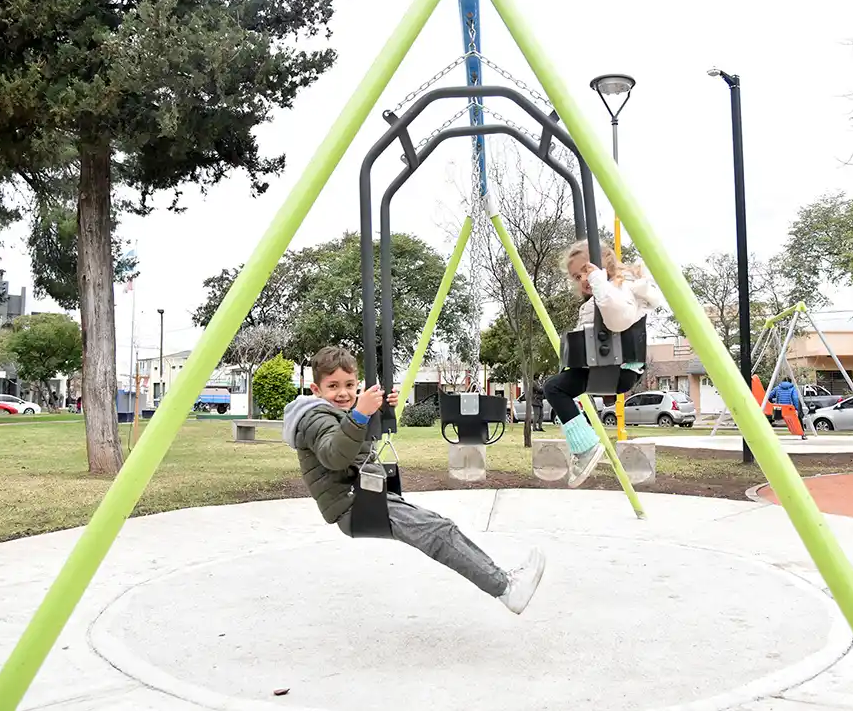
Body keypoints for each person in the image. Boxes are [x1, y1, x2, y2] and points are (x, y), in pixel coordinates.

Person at [282, 346, 546, 614]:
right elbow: (335, 455)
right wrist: (360, 413)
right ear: (316, 389)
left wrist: (379, 410)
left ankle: (503, 582)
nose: (343, 393)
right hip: (354, 506)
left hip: (362, 499)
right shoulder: (315, 419)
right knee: (439, 532)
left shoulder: (333, 412)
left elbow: (352, 439)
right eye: (333, 386)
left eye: (350, 385)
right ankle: (506, 589)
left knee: (441, 528)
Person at [543, 241, 663, 488]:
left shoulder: (621, 289)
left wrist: (597, 280)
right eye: (577, 277)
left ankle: (585, 447)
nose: (583, 279)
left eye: (585, 271)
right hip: (607, 368)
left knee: (554, 388)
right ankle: (584, 446)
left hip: (619, 369)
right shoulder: (601, 296)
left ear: (603, 263)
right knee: (555, 385)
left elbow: (618, 319)